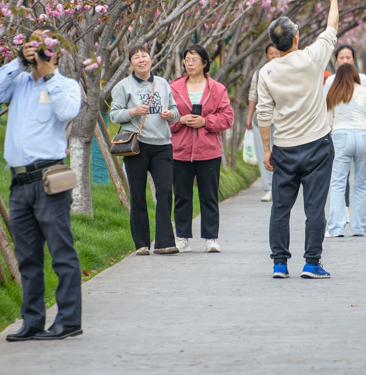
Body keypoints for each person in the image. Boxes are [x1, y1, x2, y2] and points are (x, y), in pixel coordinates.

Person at [0, 27, 83, 341]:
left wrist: (49, 74)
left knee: (61, 253)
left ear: (56, 52)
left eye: (43, 45)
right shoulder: (19, 83)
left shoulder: (67, 85)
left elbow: (67, 112)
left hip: (49, 179)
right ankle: (33, 320)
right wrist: (18, 61)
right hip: (19, 182)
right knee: (27, 257)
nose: (37, 50)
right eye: (33, 44)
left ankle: (69, 321)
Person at [257, 0, 339, 280]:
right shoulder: (313, 57)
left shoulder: (266, 72)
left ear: (273, 43)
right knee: (314, 208)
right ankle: (311, 263)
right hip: (317, 145)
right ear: (296, 38)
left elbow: (264, 115)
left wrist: (267, 150)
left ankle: (279, 264)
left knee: (281, 208)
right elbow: (331, 26)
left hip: (285, 148)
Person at [110, 45, 180, 255]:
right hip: (136, 146)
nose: (141, 60)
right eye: (136, 57)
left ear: (150, 59)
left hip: (162, 145)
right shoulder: (123, 86)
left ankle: (165, 242)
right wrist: (132, 112)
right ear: (130, 64)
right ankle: (141, 244)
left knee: (165, 192)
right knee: (138, 194)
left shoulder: (163, 83)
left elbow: (175, 111)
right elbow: (114, 115)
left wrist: (170, 115)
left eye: (144, 56)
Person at [170, 45, 234, 253]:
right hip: (180, 151)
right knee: (182, 196)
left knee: (209, 196)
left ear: (205, 63)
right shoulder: (174, 88)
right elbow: (165, 118)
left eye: (194, 59)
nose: (190, 63)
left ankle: (211, 238)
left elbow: (227, 117)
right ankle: (182, 238)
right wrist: (181, 120)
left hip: (208, 151)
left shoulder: (217, 89)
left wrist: (205, 121)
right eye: (187, 59)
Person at [325, 64, 366, 237]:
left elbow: (327, 122)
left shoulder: (333, 94)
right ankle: (358, 227)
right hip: (365, 136)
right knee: (361, 182)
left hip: (341, 136)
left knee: (338, 183)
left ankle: (336, 228)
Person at [245, 44, 280, 202]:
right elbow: (253, 96)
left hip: (281, 121)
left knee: (280, 154)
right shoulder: (259, 74)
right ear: (266, 56)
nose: (274, 56)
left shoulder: (287, 72)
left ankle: (280, 187)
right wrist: (249, 117)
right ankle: (269, 188)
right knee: (264, 154)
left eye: (277, 53)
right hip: (261, 120)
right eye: (271, 53)